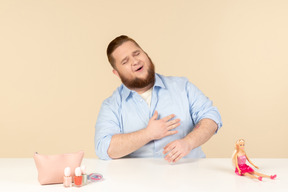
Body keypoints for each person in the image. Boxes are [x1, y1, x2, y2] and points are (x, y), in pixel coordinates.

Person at [94, 35, 222, 163]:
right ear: (117, 73)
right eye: (125, 61)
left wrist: (188, 143)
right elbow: (104, 148)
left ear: (146, 54)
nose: (135, 61)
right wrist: (147, 134)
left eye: (137, 54)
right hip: (137, 180)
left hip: (189, 175)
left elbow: (211, 117)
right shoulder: (111, 105)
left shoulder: (183, 87)